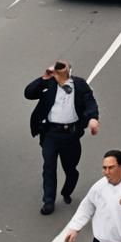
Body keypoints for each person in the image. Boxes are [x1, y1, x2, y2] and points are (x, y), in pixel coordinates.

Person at [24, 60, 100, 215]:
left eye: (61, 72)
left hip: (71, 135)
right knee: (49, 166)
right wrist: (44, 77)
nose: (58, 75)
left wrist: (93, 119)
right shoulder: (48, 84)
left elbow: (90, 103)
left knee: (70, 168)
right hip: (51, 133)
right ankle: (48, 202)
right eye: (56, 72)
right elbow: (29, 93)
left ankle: (67, 191)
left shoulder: (79, 85)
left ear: (69, 72)